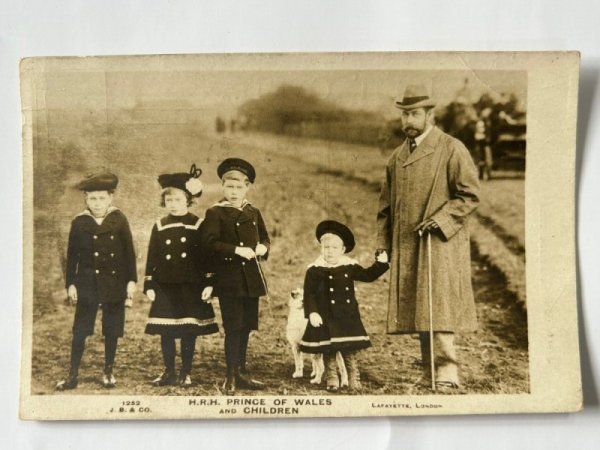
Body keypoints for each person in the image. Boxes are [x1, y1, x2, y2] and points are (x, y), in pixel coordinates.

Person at [376, 84, 480, 389]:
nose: (408, 120)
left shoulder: (451, 148)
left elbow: (469, 195)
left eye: (414, 114)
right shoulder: (396, 157)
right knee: (421, 305)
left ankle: (447, 371)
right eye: (404, 115)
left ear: (429, 115)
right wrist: (383, 246)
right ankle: (429, 371)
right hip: (408, 242)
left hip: (441, 243)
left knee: (440, 302)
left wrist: (441, 219)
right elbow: (385, 207)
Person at [56, 172, 137, 390]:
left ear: (111, 198)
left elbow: (130, 253)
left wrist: (131, 281)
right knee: (80, 329)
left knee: (111, 328)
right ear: (86, 199)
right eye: (92, 198)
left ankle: (108, 371)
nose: (97, 203)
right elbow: (71, 256)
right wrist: (70, 284)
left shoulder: (119, 219)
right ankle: (72, 374)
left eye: (102, 198)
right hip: (87, 281)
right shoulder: (80, 221)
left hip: (115, 281)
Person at [143, 164, 219, 387]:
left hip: (190, 286)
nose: (173, 205)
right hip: (166, 286)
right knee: (166, 329)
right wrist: (149, 283)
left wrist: (209, 283)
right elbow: (152, 257)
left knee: (188, 329)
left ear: (188, 200)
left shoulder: (197, 224)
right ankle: (169, 371)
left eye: (177, 200)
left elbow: (206, 257)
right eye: (169, 201)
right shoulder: (159, 225)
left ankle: (185, 371)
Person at [200, 158, 271, 395]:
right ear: (222, 187)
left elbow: (264, 238)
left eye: (238, 187)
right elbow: (208, 244)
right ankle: (230, 375)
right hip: (229, 279)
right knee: (233, 327)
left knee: (247, 326)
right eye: (229, 187)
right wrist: (236, 250)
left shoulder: (253, 211)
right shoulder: (215, 212)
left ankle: (241, 372)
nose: (233, 192)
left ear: (247, 187)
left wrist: (263, 248)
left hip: (251, 278)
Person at [299, 220, 389, 392]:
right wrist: (312, 313)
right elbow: (308, 294)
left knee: (349, 351)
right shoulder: (314, 270)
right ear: (321, 248)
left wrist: (382, 264)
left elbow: (368, 275)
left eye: (334, 248)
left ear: (342, 250)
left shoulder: (348, 266)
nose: (330, 252)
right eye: (326, 248)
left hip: (346, 316)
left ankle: (354, 378)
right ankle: (332, 378)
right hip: (325, 316)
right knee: (328, 350)